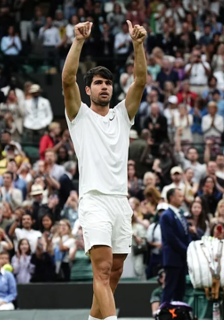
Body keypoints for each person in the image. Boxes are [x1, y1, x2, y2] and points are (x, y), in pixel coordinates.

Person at [62, 19, 147, 320]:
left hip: (120, 201)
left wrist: (138, 45)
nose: (104, 87)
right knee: (101, 269)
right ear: (88, 90)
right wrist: (78, 41)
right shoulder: (79, 116)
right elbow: (67, 79)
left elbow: (139, 81)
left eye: (108, 83)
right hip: (94, 199)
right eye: (98, 82)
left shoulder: (123, 115)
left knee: (114, 273)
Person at [159, 188, 191, 304]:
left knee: (180, 290)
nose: (182, 199)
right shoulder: (166, 215)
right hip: (173, 258)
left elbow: (186, 234)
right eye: (179, 196)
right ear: (171, 198)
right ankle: (163, 314)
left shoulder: (181, 214)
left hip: (182, 258)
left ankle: (177, 314)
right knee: (169, 289)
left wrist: (190, 248)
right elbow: (171, 238)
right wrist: (186, 250)